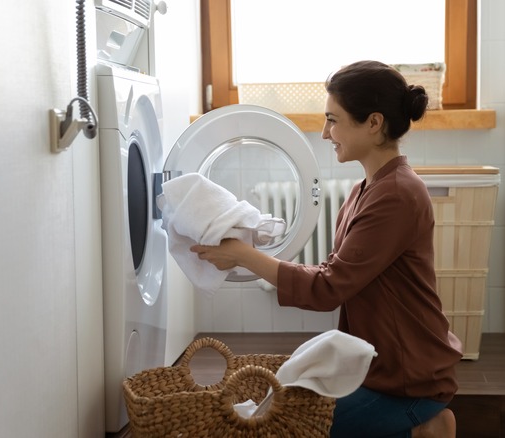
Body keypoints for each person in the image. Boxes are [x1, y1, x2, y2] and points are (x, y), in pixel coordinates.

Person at [191, 60, 461, 438]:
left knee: (288, 427)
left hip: (407, 379)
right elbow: (337, 272)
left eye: (333, 120)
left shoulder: (396, 195)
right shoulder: (365, 190)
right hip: (382, 365)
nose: (324, 132)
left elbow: (329, 288)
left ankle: (420, 421)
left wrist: (242, 254)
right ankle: (422, 428)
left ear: (373, 123)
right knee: (284, 412)